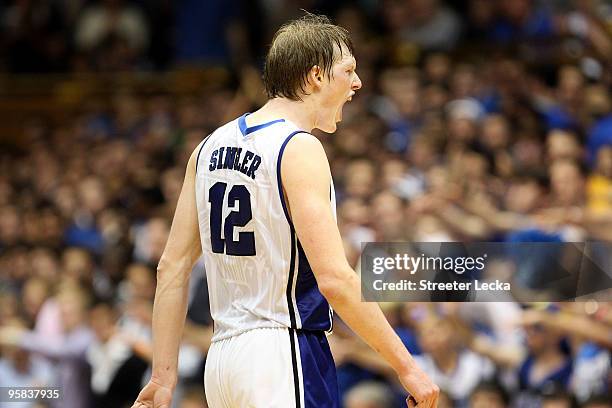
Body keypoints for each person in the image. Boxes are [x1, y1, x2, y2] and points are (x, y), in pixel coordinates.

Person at [131, 13, 439, 408]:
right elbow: (334, 279)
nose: (357, 83)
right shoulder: (298, 147)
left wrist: (162, 376)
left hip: (222, 362)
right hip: (283, 352)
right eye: (348, 71)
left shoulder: (206, 147)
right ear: (316, 77)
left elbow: (171, 268)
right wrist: (406, 366)